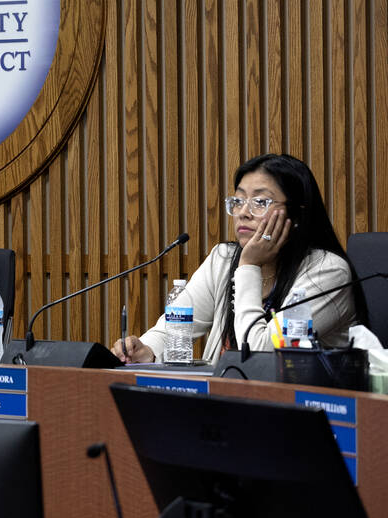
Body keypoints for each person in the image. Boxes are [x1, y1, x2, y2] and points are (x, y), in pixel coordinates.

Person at [111, 153, 365, 364]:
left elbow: (259, 355)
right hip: (224, 403)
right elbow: (174, 330)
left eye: (260, 202)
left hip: (300, 409)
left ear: (297, 216)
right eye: (238, 200)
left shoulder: (328, 272)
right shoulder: (222, 260)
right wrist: (146, 350)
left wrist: (249, 266)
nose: (243, 212)